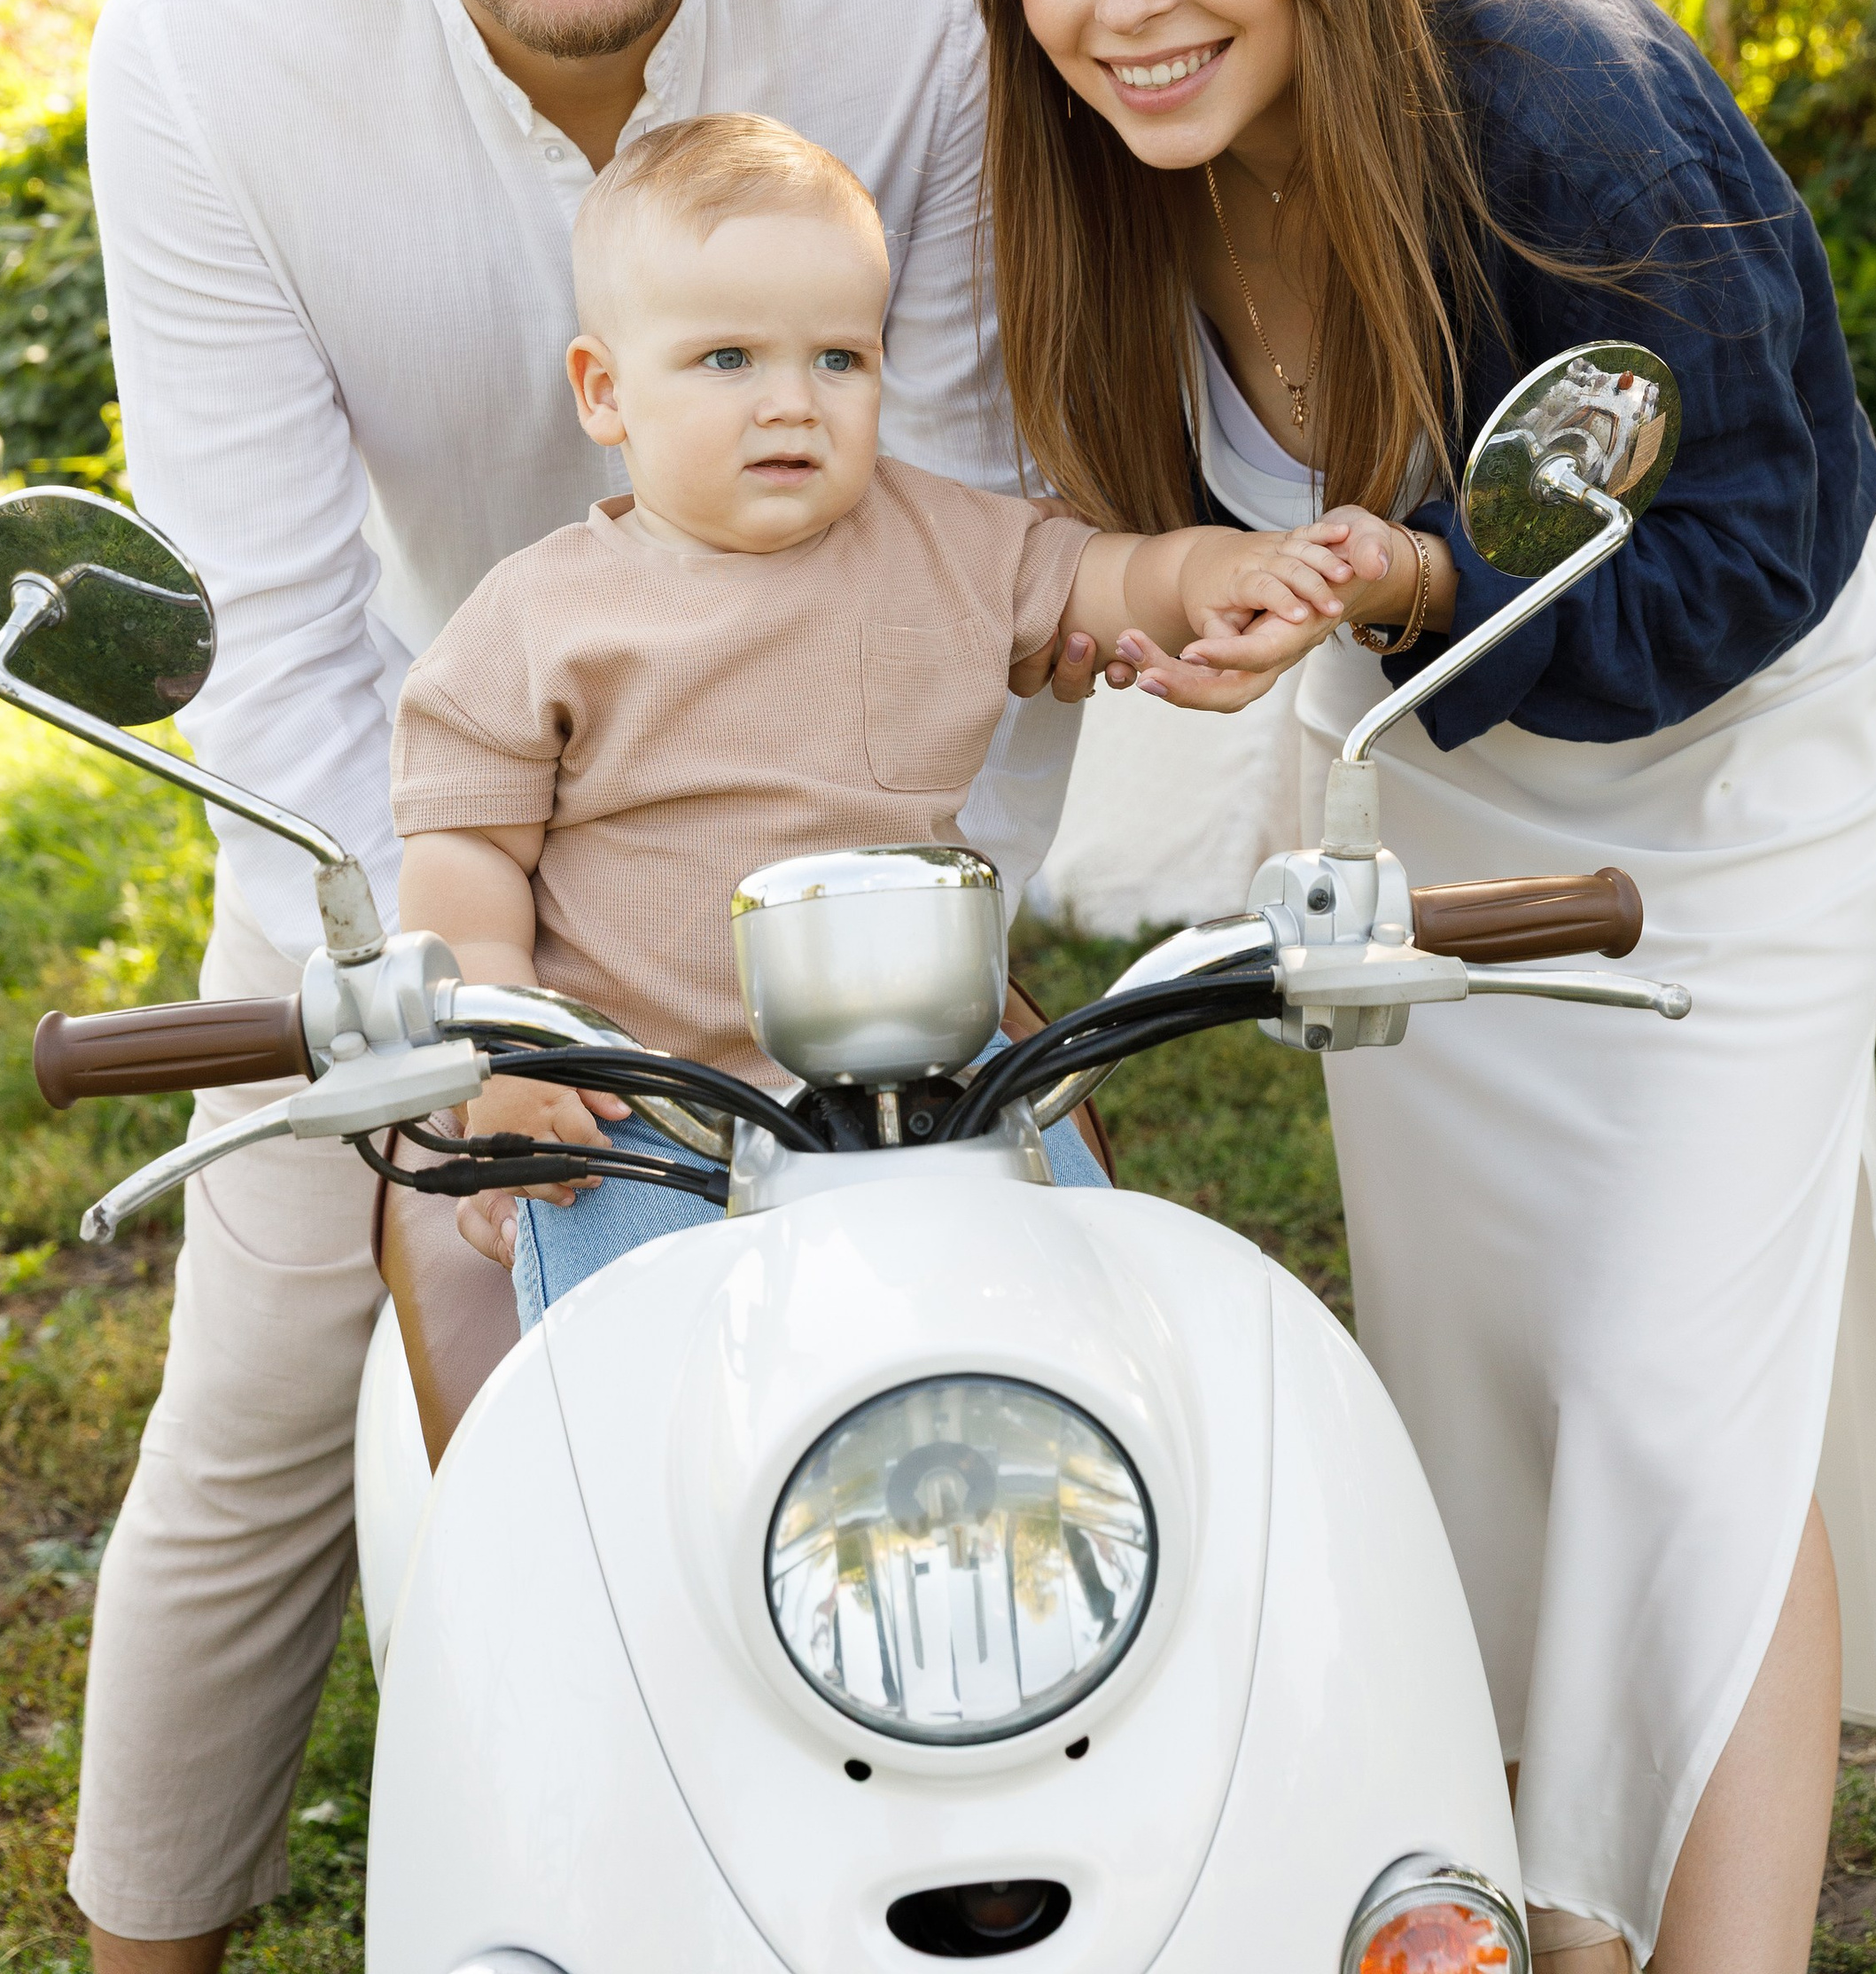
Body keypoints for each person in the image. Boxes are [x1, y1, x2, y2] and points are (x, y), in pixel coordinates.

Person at [74, 0, 1109, 1972]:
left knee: (1039, 1354)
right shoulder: (206, 54)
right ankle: (148, 1943)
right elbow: (288, 642)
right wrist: (481, 1003)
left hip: (837, 830)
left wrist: (883, 944)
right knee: (259, 1403)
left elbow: (947, 501)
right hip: (414, 803)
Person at [962, 0, 1876, 1974]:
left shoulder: (1557, 81)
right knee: (1485, 1372)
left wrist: (1428, 575)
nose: (1125, 0)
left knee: (1672, 1384)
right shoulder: (1113, 186)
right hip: (1435, 784)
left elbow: (1743, 535)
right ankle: (1553, 1913)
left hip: (1744, 774)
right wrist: (1239, 603)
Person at [385, 109, 1366, 1302]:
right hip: (644, 1105)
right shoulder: (542, 617)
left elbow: (1104, 580)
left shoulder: (943, 545)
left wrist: (1216, 573)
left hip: (939, 1076)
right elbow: (469, 850)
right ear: (605, 392)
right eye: (728, 360)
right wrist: (504, 1045)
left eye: (839, 358)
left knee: (1087, 1309)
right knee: (640, 1378)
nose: (794, 401)